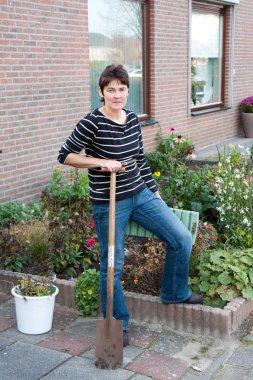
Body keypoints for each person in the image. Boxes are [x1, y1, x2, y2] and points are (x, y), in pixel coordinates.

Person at [58, 64, 203, 347]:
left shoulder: (133, 118)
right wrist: (100, 162)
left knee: (181, 238)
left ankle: (174, 292)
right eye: (111, 90)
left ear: (127, 91)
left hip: (141, 194)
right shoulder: (91, 122)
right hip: (109, 202)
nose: (117, 95)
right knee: (112, 265)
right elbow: (65, 156)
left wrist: (154, 191)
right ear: (101, 92)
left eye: (122, 89)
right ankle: (117, 323)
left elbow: (140, 158)